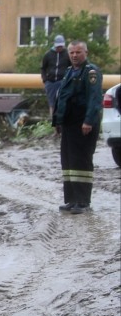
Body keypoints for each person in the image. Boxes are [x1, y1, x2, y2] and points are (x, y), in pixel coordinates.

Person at [52, 40, 102, 215]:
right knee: (68, 162)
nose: (74, 55)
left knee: (81, 162)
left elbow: (94, 99)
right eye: (72, 52)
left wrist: (88, 121)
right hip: (69, 124)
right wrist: (58, 121)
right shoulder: (68, 72)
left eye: (78, 52)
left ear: (85, 53)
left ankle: (83, 201)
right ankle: (72, 199)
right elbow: (63, 98)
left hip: (83, 124)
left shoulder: (91, 72)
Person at [41, 35, 72, 116]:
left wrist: (68, 79)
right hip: (50, 82)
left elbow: (71, 67)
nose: (59, 48)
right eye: (58, 46)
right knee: (52, 103)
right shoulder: (48, 54)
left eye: (61, 46)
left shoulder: (67, 54)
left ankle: (62, 122)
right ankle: (53, 123)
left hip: (62, 81)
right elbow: (43, 68)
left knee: (63, 102)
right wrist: (45, 79)